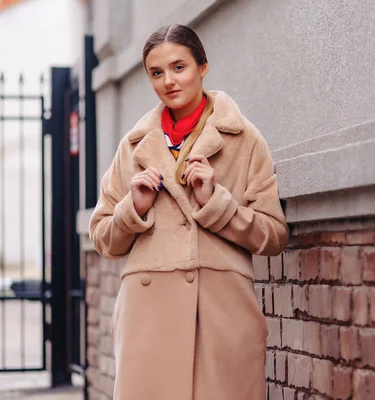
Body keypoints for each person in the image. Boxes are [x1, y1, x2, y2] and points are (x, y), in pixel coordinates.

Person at [89, 24, 288, 400]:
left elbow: (274, 235)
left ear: (203, 67)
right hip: (148, 317)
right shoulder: (134, 146)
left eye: (179, 67)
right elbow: (103, 238)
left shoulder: (242, 139)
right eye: (156, 72)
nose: (168, 81)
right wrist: (133, 209)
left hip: (220, 311)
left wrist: (217, 203)